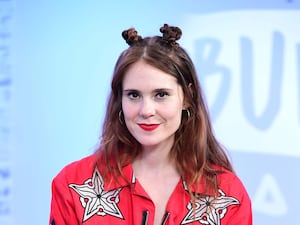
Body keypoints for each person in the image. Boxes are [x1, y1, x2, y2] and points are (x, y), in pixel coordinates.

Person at [49, 24, 252, 225]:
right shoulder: (73, 183)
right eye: (134, 95)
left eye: (161, 94)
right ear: (120, 99)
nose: (146, 110)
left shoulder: (227, 195)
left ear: (187, 97)